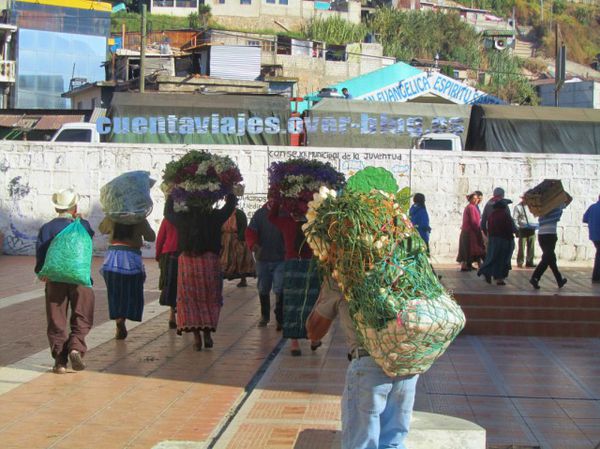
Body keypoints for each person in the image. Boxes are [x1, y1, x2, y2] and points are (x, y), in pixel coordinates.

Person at [306, 281, 418, 449]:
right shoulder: (405, 268)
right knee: (392, 443)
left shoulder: (342, 276)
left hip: (370, 366)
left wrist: (325, 293)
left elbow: (314, 331)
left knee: (362, 444)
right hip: (408, 363)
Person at [35, 189, 95, 374]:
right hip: (80, 279)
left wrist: (41, 272)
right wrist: (80, 218)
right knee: (82, 314)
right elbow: (89, 239)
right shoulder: (82, 225)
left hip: (54, 279)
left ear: (56, 207)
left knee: (56, 318)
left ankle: (59, 362)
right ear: (74, 207)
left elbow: (41, 253)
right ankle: (75, 347)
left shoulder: (47, 228)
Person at [172, 189, 241, 351]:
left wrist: (171, 195)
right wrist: (230, 190)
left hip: (187, 263)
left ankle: (196, 337)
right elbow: (230, 206)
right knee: (209, 297)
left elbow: (168, 212)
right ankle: (207, 333)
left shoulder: (182, 217)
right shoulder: (214, 216)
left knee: (190, 299)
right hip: (209, 262)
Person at [269, 201, 322, 356]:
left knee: (293, 304)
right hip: (308, 266)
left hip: (294, 265)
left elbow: (272, 217)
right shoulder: (314, 224)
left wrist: (278, 199)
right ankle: (312, 338)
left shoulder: (288, 223)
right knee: (310, 303)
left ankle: (296, 342)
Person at [100, 216, 156, 340]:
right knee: (131, 290)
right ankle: (123, 318)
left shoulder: (113, 216)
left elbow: (102, 229)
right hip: (131, 257)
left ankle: (118, 319)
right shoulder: (139, 218)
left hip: (113, 257)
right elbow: (151, 237)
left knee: (114, 291)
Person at [245, 196, 285, 328]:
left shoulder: (284, 213)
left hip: (281, 258)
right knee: (263, 288)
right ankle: (265, 316)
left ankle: (280, 318)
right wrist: (254, 246)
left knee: (279, 288)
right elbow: (250, 232)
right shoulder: (260, 214)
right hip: (263, 259)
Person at [530, 201, 570, 289]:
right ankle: (535, 277)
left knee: (550, 258)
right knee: (548, 258)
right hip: (550, 235)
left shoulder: (541, 209)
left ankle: (559, 280)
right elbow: (567, 201)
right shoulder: (556, 208)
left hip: (541, 235)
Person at [477, 199, 517, 285]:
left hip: (493, 240)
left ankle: (487, 271)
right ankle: (499, 278)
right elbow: (510, 228)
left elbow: (484, 225)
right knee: (502, 260)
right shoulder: (505, 216)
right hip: (504, 240)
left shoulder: (492, 216)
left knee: (492, 257)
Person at [156, 196, 179, 329]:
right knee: (181, 283)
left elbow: (160, 238)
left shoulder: (167, 220)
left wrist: (158, 255)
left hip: (168, 254)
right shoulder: (185, 219)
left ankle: (172, 314)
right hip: (182, 254)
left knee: (169, 283)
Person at [221, 207, 255, 288]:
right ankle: (221, 279)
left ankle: (243, 280)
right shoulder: (223, 213)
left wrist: (240, 239)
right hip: (225, 239)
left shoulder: (239, 214)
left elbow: (243, 226)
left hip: (236, 239)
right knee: (224, 260)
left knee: (240, 259)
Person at [456, 192, 485, 271]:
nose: (476, 200)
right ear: (470, 199)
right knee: (468, 249)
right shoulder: (471, 208)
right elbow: (473, 221)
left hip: (468, 231)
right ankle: (466, 265)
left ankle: (467, 265)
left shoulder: (470, 207)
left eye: (477, 199)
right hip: (470, 232)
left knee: (466, 249)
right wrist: (477, 230)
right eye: (474, 199)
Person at [513, 198, 537, 268]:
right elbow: (515, 219)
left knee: (531, 246)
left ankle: (530, 262)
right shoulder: (518, 207)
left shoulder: (532, 206)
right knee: (521, 247)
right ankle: (520, 262)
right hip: (522, 228)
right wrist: (517, 228)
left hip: (532, 228)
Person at [583, 194, 600, 283]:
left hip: (594, 236)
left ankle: (596, 276)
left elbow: (585, 219)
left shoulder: (592, 207)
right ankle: (596, 276)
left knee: (598, 254)